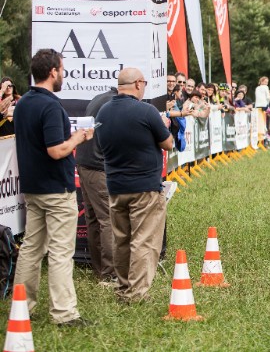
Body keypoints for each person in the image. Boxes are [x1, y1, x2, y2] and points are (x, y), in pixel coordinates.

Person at [13, 48, 94, 326]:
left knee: (32, 247)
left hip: (33, 187)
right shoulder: (49, 105)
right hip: (56, 191)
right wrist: (79, 138)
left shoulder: (23, 103)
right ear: (52, 72)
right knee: (61, 252)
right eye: (62, 69)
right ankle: (64, 314)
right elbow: (56, 150)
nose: (63, 74)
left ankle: (22, 306)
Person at [95, 68, 173, 304]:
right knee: (144, 241)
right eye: (145, 83)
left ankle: (123, 287)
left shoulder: (103, 111)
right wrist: (164, 124)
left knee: (122, 240)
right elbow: (167, 143)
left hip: (116, 186)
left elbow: (100, 145)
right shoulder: (146, 111)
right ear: (138, 84)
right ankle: (136, 294)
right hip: (145, 187)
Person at [75, 86, 118, 287]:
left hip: (84, 163)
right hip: (98, 165)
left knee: (93, 219)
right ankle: (109, 274)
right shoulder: (113, 104)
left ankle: (100, 269)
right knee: (108, 219)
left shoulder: (98, 98)